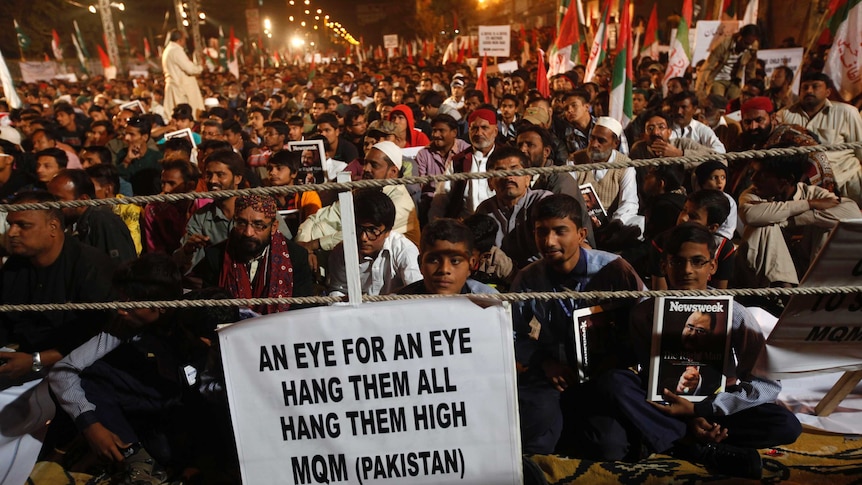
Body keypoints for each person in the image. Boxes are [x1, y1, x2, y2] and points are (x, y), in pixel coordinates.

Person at [586, 222, 803, 479]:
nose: (687, 271)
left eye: (697, 262)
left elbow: (766, 385)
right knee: (615, 383)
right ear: (664, 265)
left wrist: (705, 410)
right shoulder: (644, 313)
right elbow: (647, 373)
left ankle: (675, 439)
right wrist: (685, 417)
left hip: (716, 408)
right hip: (664, 405)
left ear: (712, 267)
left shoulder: (735, 314)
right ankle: (699, 447)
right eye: (677, 262)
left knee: (785, 424)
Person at [49, 254, 223, 484]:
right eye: (122, 300)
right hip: (164, 401)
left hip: (207, 409)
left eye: (131, 303)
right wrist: (90, 424)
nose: (122, 309)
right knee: (94, 374)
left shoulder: (203, 315)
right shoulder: (126, 321)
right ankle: (138, 459)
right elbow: (63, 371)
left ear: (160, 307)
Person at [511, 194, 645, 455]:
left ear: (582, 233)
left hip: (603, 374)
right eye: (541, 232)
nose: (549, 242)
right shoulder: (528, 279)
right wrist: (544, 362)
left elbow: (644, 319)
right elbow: (513, 333)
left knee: (610, 447)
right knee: (535, 442)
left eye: (560, 231)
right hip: (551, 374)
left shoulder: (614, 270)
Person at [0, 191, 114, 382]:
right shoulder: (15, 265)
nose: (11, 233)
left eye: (23, 225)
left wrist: (37, 360)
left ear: (53, 227)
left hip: (81, 369)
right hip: (22, 361)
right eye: (10, 224)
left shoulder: (89, 266)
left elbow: (102, 336)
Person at [737, 153, 860, 287]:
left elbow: (853, 214)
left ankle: (819, 289)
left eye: (763, 175)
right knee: (763, 225)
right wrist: (809, 204)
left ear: (787, 180)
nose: (753, 178)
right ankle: (784, 293)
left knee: (829, 225)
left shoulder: (813, 193)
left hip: (806, 267)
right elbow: (751, 215)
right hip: (762, 277)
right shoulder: (752, 193)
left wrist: (788, 219)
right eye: (754, 172)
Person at [295, 141, 421, 262]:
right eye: (365, 163)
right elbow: (317, 218)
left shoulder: (400, 202)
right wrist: (303, 247)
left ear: (393, 172)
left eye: (374, 165)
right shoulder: (363, 191)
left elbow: (360, 236)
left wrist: (314, 244)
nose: (365, 169)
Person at [191, 195, 314, 314]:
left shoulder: (296, 257)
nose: (248, 233)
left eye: (258, 225)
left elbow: (301, 311)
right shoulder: (216, 256)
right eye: (242, 223)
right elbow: (210, 312)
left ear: (274, 227)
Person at [777, 72, 862, 207]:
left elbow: (860, 151)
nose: (809, 91)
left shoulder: (847, 113)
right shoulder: (785, 114)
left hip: (845, 180)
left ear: (828, 92)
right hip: (802, 188)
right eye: (805, 87)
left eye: (815, 86)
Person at [327, 189, 421, 297]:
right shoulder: (341, 252)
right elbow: (338, 292)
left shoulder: (404, 250)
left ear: (388, 232)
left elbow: (415, 290)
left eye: (372, 231)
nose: (363, 238)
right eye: (358, 228)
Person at [476, 146, 553, 268]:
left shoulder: (542, 201)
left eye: (514, 171)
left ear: (528, 178)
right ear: (490, 182)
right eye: (501, 172)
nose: (508, 177)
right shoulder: (485, 210)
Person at [47, 169, 137, 265]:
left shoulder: (103, 221)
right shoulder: (70, 224)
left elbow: (122, 265)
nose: (50, 205)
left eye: (57, 199)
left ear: (82, 200)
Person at [175, 150, 245, 272]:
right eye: (209, 175)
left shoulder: (258, 210)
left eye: (220, 174)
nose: (212, 181)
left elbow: (283, 246)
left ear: (237, 178)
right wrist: (188, 249)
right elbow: (183, 265)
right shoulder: (200, 217)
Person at [398, 218, 496, 295]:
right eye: (433, 260)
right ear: (420, 264)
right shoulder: (397, 305)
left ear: (471, 265)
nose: (444, 270)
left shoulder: (490, 303)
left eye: (455, 261)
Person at [143, 160, 200, 255]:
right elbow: (155, 251)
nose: (165, 189)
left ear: (190, 185)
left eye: (171, 183)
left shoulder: (205, 207)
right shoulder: (154, 209)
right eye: (163, 183)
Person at [696, 24, 760, 99]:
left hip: (734, 81)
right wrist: (699, 91)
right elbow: (708, 66)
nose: (747, 46)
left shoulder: (752, 47)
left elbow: (750, 69)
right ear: (740, 36)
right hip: (717, 79)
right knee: (718, 101)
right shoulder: (724, 44)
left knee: (736, 103)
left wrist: (750, 88)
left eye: (750, 44)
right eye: (746, 43)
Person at [162, 29, 204, 118]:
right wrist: (201, 67)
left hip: (175, 85)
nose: (185, 41)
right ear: (180, 40)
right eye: (184, 39)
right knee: (185, 115)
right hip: (181, 87)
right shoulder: (176, 50)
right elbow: (190, 69)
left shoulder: (168, 50)